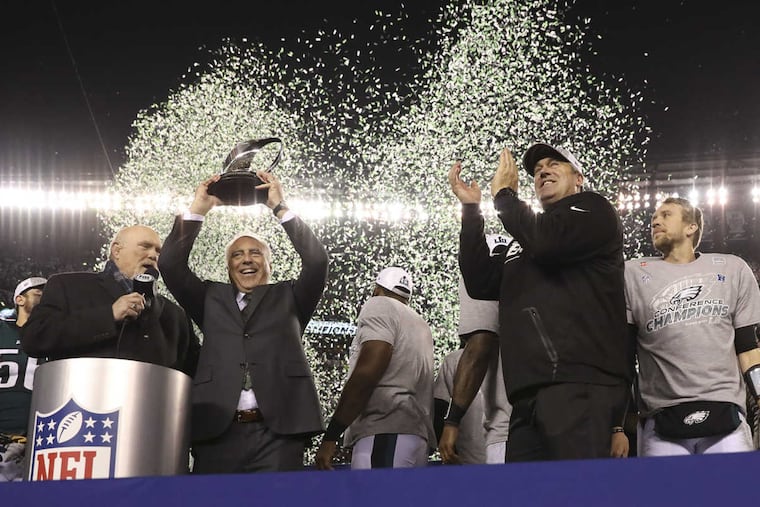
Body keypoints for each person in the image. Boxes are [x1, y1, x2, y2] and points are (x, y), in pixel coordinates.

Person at [448, 143, 632, 461]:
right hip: (526, 394)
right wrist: (471, 212)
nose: (543, 171)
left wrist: (505, 196)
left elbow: (547, 243)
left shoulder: (593, 210)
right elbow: (480, 282)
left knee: (577, 494)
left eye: (554, 164)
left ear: (579, 177)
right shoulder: (528, 238)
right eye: (536, 170)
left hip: (578, 385)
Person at [159, 172, 329, 474]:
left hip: (279, 433)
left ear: (269, 264)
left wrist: (279, 207)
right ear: (228, 268)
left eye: (255, 253)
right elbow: (170, 265)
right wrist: (199, 208)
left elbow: (316, 261)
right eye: (237, 255)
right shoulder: (210, 298)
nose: (246, 259)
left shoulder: (291, 297)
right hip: (217, 433)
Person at [625, 197, 760, 456]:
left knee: (735, 496)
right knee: (666, 497)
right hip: (660, 417)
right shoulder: (631, 274)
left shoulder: (732, 268)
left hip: (726, 412)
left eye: (666, 215)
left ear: (691, 227)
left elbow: (747, 348)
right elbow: (624, 354)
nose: (655, 220)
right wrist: (620, 422)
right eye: (654, 217)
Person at [22, 226, 198, 374]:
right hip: (84, 409)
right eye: (145, 246)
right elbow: (35, 338)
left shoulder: (176, 315)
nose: (153, 255)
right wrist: (108, 316)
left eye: (158, 251)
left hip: (150, 412)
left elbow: (195, 371)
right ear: (117, 250)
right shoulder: (68, 286)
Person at [315, 267, 435, 470]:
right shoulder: (420, 323)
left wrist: (332, 435)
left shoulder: (379, 305)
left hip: (385, 430)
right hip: (415, 437)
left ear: (376, 289)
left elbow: (368, 372)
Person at [438, 248, 512, 465]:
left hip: (505, 434)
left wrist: (451, 422)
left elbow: (480, 345)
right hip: (545, 429)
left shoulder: (483, 274)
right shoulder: (533, 278)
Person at [0, 277, 46, 481]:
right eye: (38, 293)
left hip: (40, 444)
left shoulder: (59, 338)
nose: (46, 297)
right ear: (19, 299)